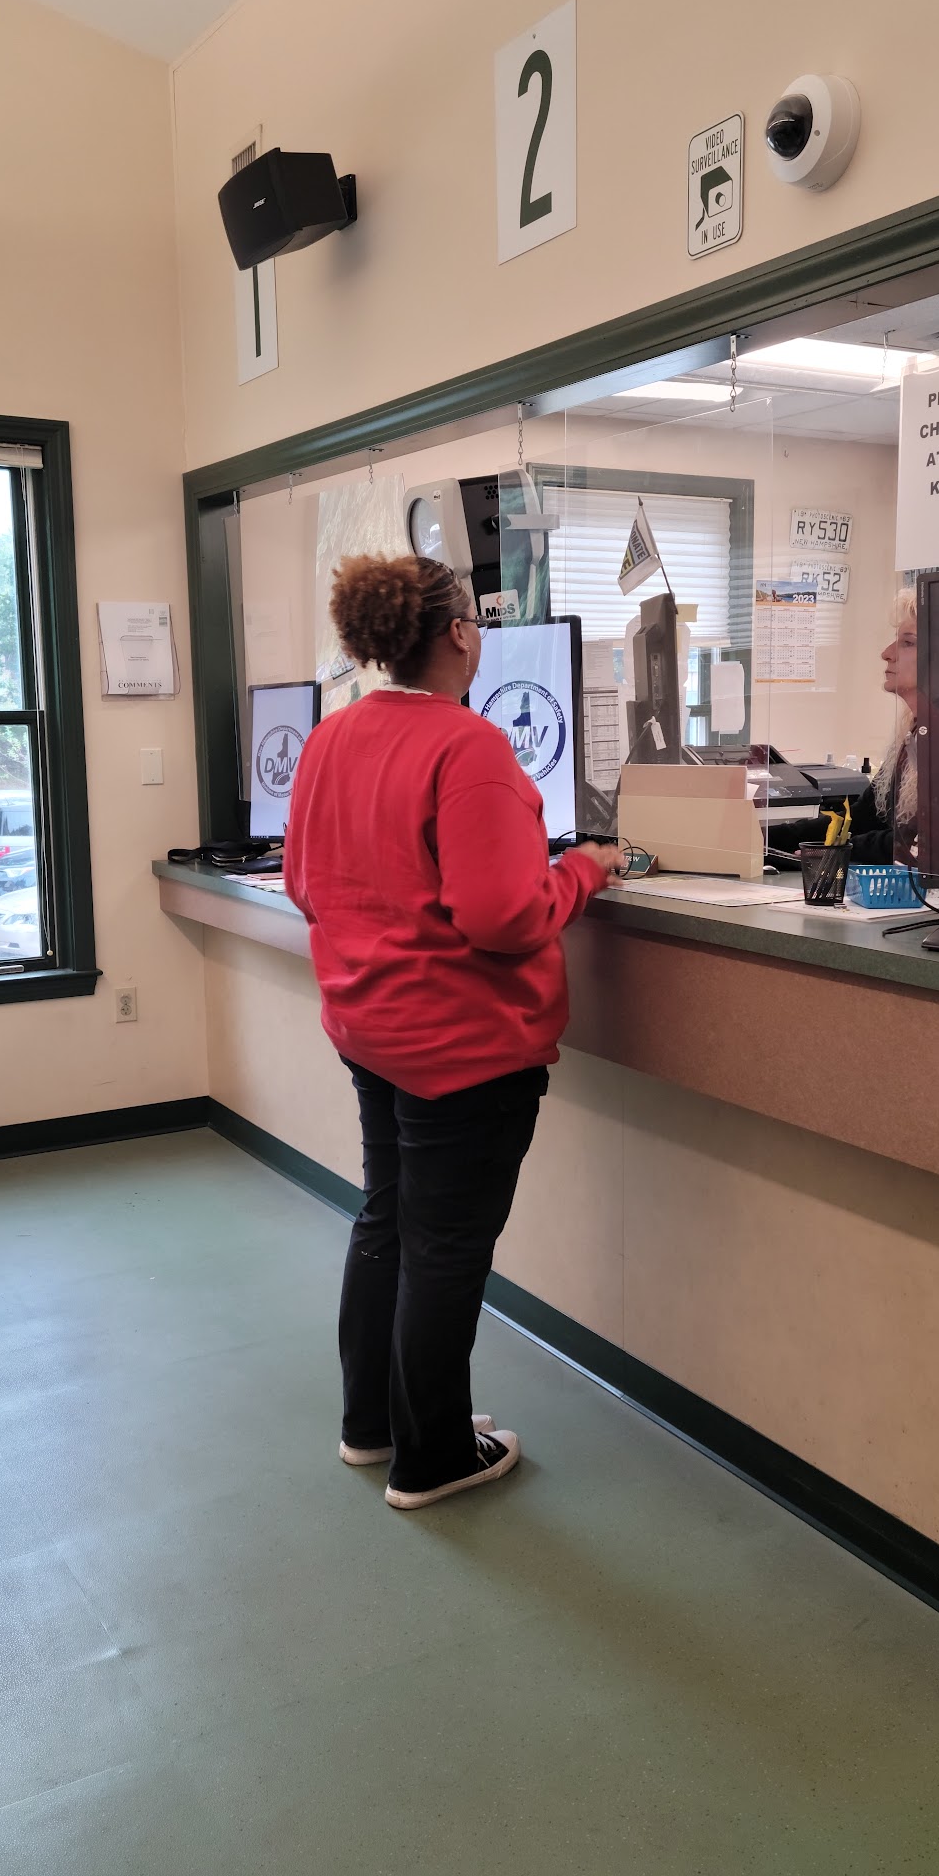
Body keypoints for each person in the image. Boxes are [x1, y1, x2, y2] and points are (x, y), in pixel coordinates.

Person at [282, 554, 626, 1511]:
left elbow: (305, 883)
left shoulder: (332, 737)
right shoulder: (469, 748)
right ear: (462, 636)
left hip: (369, 1027)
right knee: (444, 1248)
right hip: (462, 1046)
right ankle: (432, 1458)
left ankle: (373, 1424)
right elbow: (505, 916)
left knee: (389, 1219)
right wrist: (587, 870)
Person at [849, 586, 939, 882]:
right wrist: (771, 839)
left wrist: (833, 849)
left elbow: (915, 842)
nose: (887, 654)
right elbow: (860, 818)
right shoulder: (916, 730)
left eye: (908, 643)